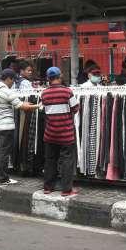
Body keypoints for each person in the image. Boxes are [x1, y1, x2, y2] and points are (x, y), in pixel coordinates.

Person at [0, 69, 39, 185]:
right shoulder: (7, 91)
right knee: (4, 153)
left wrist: (27, 104)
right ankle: (4, 177)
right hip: (6, 126)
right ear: (9, 79)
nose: (13, 83)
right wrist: (37, 106)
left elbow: (19, 104)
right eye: (13, 80)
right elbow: (20, 106)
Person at [41, 67, 80, 196]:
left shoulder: (44, 94)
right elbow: (75, 108)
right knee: (67, 161)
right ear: (60, 76)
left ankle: (48, 187)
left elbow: (45, 111)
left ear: (48, 78)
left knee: (50, 160)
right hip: (66, 133)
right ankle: (66, 190)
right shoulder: (67, 92)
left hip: (50, 133)